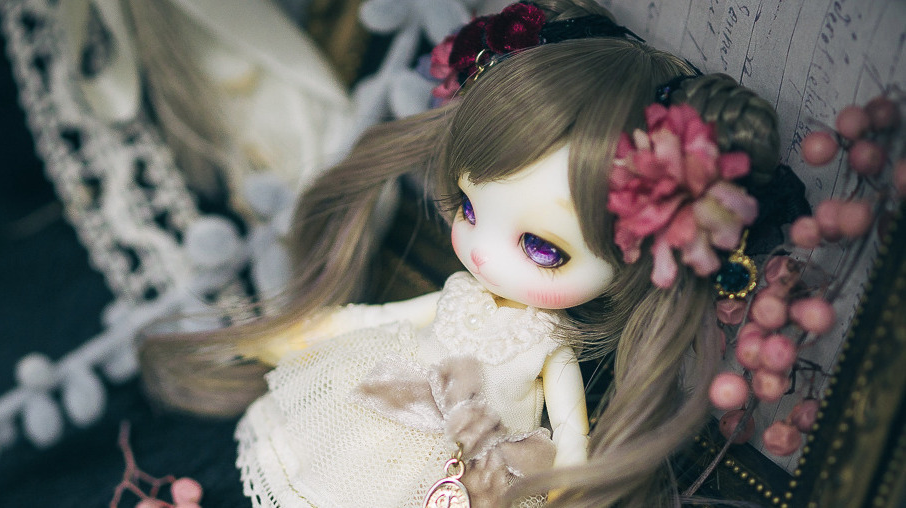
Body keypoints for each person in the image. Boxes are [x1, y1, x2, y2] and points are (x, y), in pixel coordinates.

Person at [140, 1, 785, 506]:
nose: (484, 254)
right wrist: (316, 329)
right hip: (378, 404)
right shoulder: (462, 293)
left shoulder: (551, 347)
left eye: (544, 249)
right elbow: (386, 318)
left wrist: (568, 483)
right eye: (468, 209)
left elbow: (572, 439)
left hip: (471, 465)